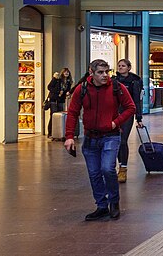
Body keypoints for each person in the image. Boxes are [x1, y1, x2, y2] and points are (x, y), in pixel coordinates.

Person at [65, 59, 136, 221]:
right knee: (94, 173)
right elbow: (73, 112)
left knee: (107, 169)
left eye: (107, 72)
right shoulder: (81, 89)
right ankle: (101, 205)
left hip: (111, 136)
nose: (105, 75)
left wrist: (115, 122)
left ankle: (114, 201)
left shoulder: (117, 87)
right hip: (90, 138)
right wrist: (69, 136)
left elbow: (131, 107)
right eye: (100, 72)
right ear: (91, 73)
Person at [113, 58, 144, 183]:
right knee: (115, 141)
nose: (120, 68)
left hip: (127, 113)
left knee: (123, 140)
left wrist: (139, 117)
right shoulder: (113, 81)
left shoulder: (135, 81)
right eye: (119, 65)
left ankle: (123, 168)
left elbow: (137, 100)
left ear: (129, 68)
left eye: (123, 66)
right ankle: (117, 165)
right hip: (114, 113)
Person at [46, 67, 72, 138]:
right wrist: (58, 92)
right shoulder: (57, 80)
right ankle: (50, 132)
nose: (66, 73)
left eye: (67, 72)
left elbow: (68, 90)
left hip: (61, 100)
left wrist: (67, 93)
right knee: (53, 115)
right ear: (62, 73)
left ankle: (58, 132)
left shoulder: (68, 82)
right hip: (53, 99)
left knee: (59, 116)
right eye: (65, 72)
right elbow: (49, 87)